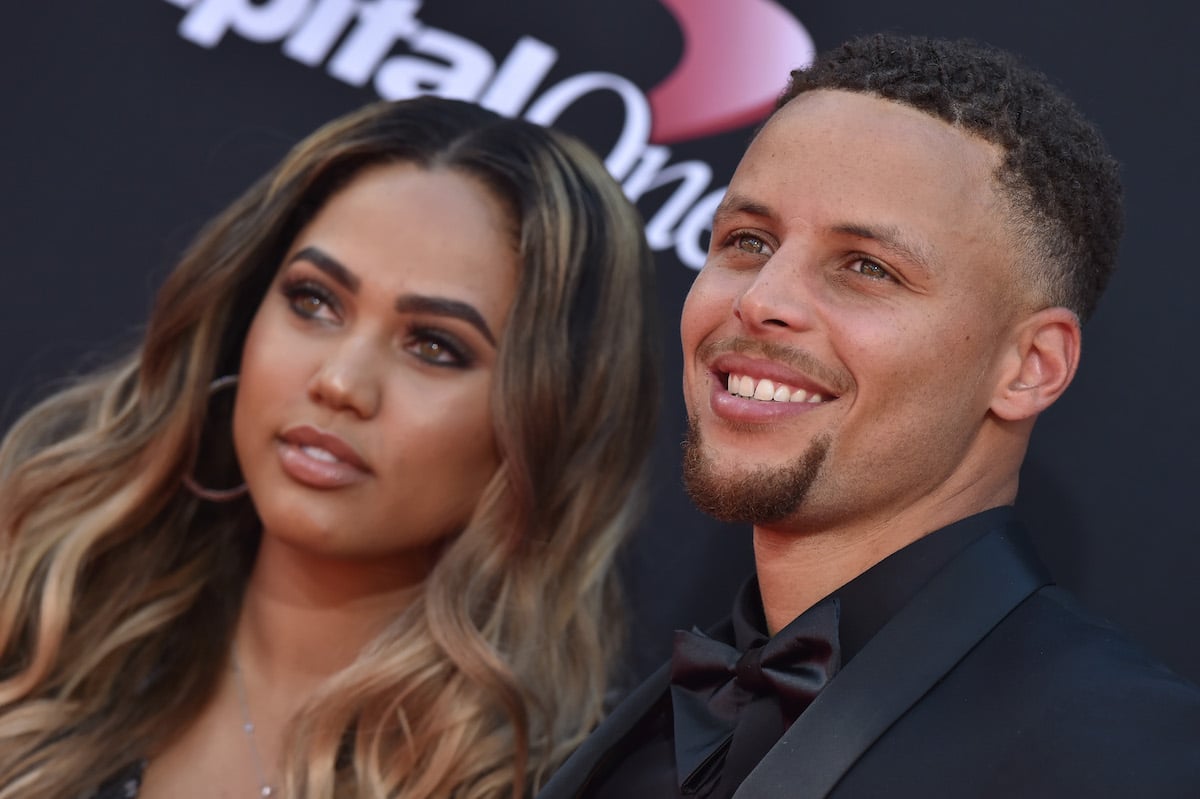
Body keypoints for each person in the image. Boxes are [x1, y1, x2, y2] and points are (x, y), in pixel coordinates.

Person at [538, 32, 1200, 799]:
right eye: (748, 241)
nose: (761, 299)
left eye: (866, 267)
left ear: (1030, 368)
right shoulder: (646, 723)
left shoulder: (1134, 760)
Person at [0, 96, 658, 798]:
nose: (341, 381)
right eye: (314, 301)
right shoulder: (36, 625)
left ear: (549, 422)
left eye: (435, 346)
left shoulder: (564, 783)